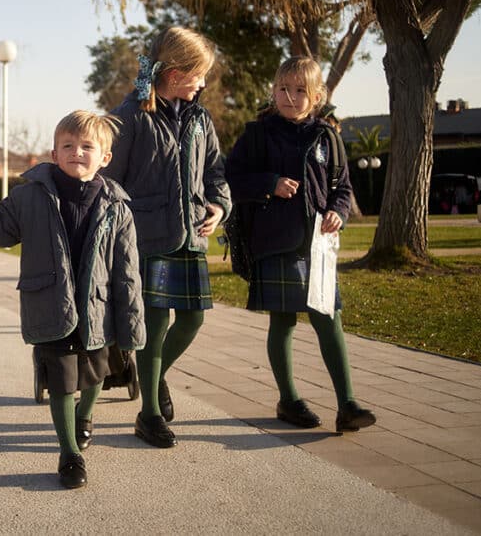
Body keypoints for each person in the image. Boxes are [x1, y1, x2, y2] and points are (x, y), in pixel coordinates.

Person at [0, 110, 144, 489]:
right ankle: (70, 452)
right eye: (67, 146)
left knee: (96, 374)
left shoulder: (118, 207)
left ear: (105, 157)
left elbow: (128, 272)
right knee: (62, 380)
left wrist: (132, 327)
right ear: (54, 153)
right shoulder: (30, 196)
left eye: (87, 146)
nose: (76, 152)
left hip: (99, 310)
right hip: (50, 306)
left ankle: (85, 417)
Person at [225, 57, 375, 433]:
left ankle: (348, 404)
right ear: (273, 91)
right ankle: (288, 399)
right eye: (283, 89)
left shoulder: (328, 137)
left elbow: (342, 188)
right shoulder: (258, 135)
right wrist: (269, 183)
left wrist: (339, 211)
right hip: (275, 244)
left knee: (330, 320)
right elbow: (230, 180)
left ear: (318, 96)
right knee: (283, 321)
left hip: (318, 248)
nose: (289, 98)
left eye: (299, 91)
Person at [101, 26, 231, 449]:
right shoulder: (132, 116)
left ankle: (155, 378)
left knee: (193, 319)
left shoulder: (199, 118)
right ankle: (149, 415)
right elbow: (109, 181)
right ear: (174, 74)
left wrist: (219, 206)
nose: (203, 83)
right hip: (147, 238)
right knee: (153, 326)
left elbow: (215, 173)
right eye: (198, 75)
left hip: (192, 236)